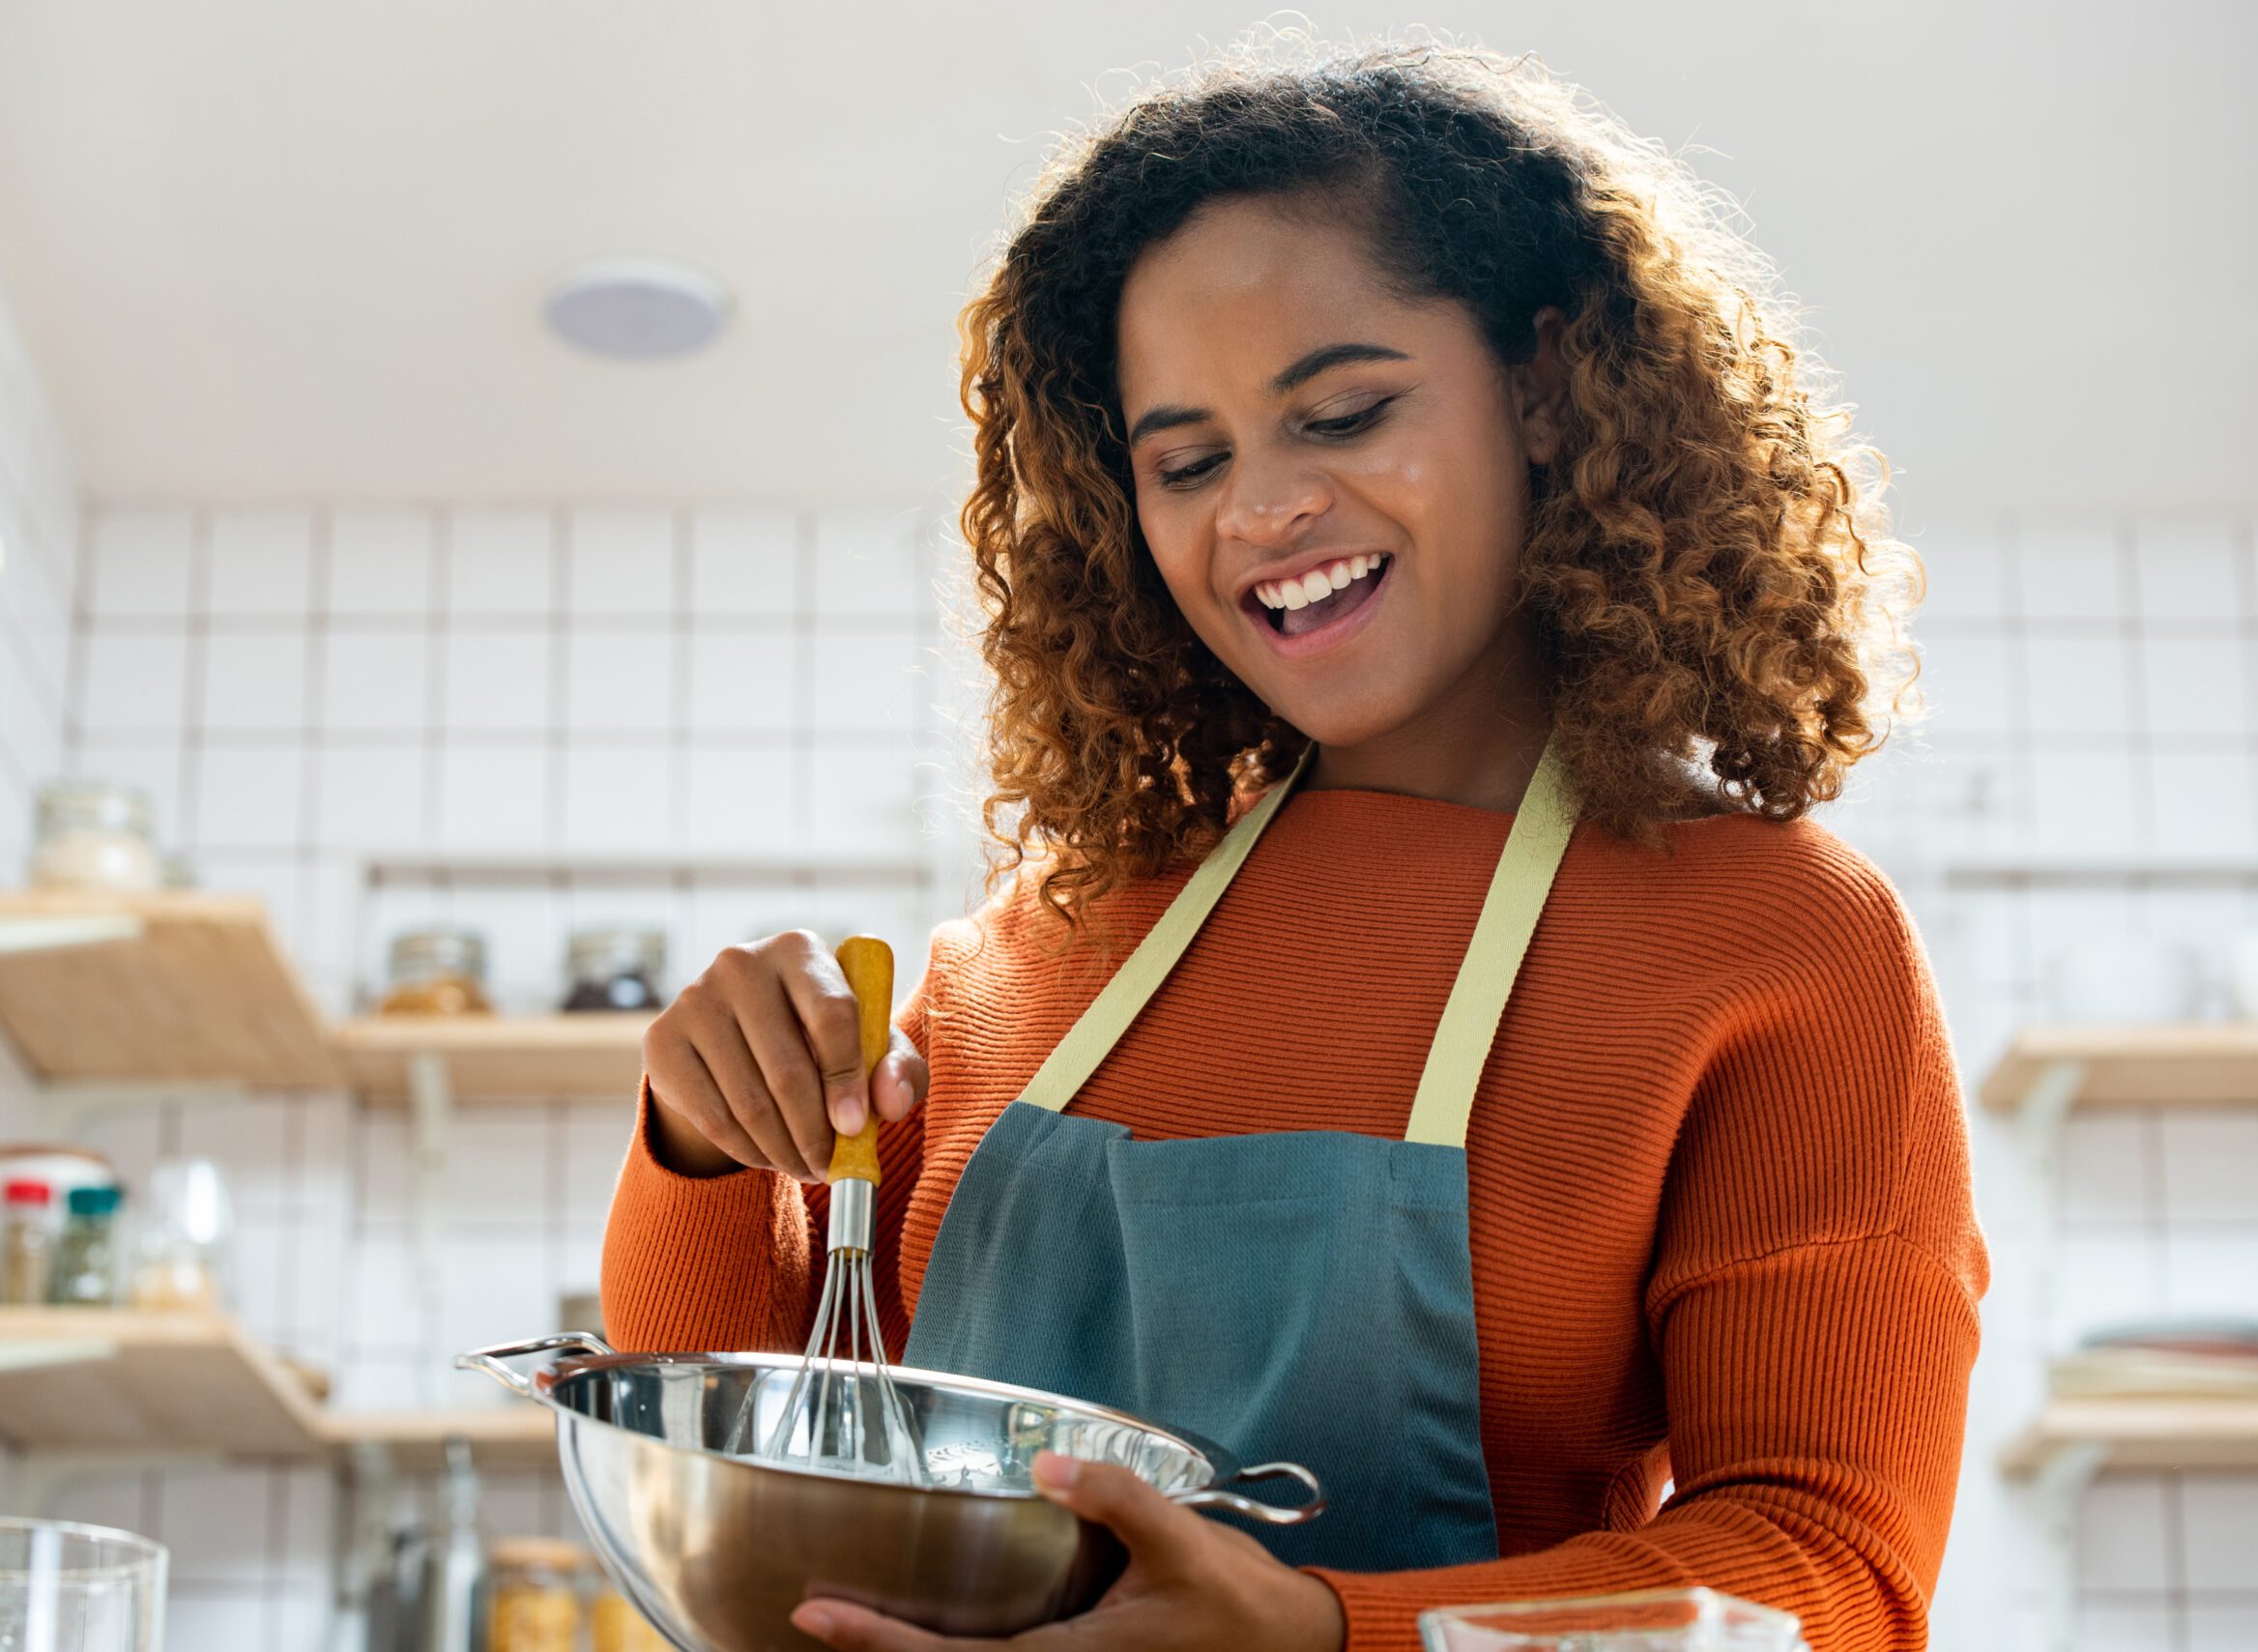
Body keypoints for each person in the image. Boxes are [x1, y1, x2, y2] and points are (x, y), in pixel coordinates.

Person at [601, 31, 1987, 1652]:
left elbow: (1828, 1574)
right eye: (1186, 460)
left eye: (1339, 412)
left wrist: (1329, 1631)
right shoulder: (1052, 936)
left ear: (1544, 390)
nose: (1261, 511)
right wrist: (705, 1140)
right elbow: (783, 1424)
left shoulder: (1776, 942)